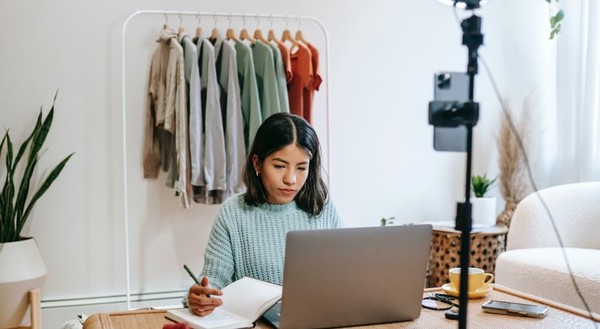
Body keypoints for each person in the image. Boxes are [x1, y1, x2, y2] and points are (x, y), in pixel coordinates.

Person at [186, 112, 342, 317]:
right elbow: (213, 282)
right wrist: (201, 298)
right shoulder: (232, 213)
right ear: (258, 163)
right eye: (279, 166)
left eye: (302, 167)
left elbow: (343, 274)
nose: (291, 179)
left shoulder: (323, 207)